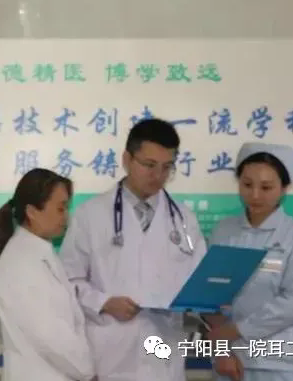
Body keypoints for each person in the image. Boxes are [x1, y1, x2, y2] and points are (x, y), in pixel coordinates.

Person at [59, 118, 207, 381]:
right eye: (149, 165)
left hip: (164, 353)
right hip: (112, 354)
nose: (157, 175)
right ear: (127, 159)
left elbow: (200, 281)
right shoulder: (90, 215)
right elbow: (68, 282)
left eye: (166, 167)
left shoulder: (185, 219)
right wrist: (104, 303)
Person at [205, 142, 293, 381]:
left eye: (266, 187)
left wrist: (236, 330)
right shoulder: (223, 231)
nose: (255, 195)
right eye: (247, 185)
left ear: (284, 188)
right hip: (229, 362)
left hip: (279, 364)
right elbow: (208, 295)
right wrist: (221, 351)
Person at [0, 168, 96, 381]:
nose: (66, 216)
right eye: (60, 208)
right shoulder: (22, 261)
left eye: (67, 208)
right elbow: (50, 335)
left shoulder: (39, 252)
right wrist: (88, 370)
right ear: (32, 212)